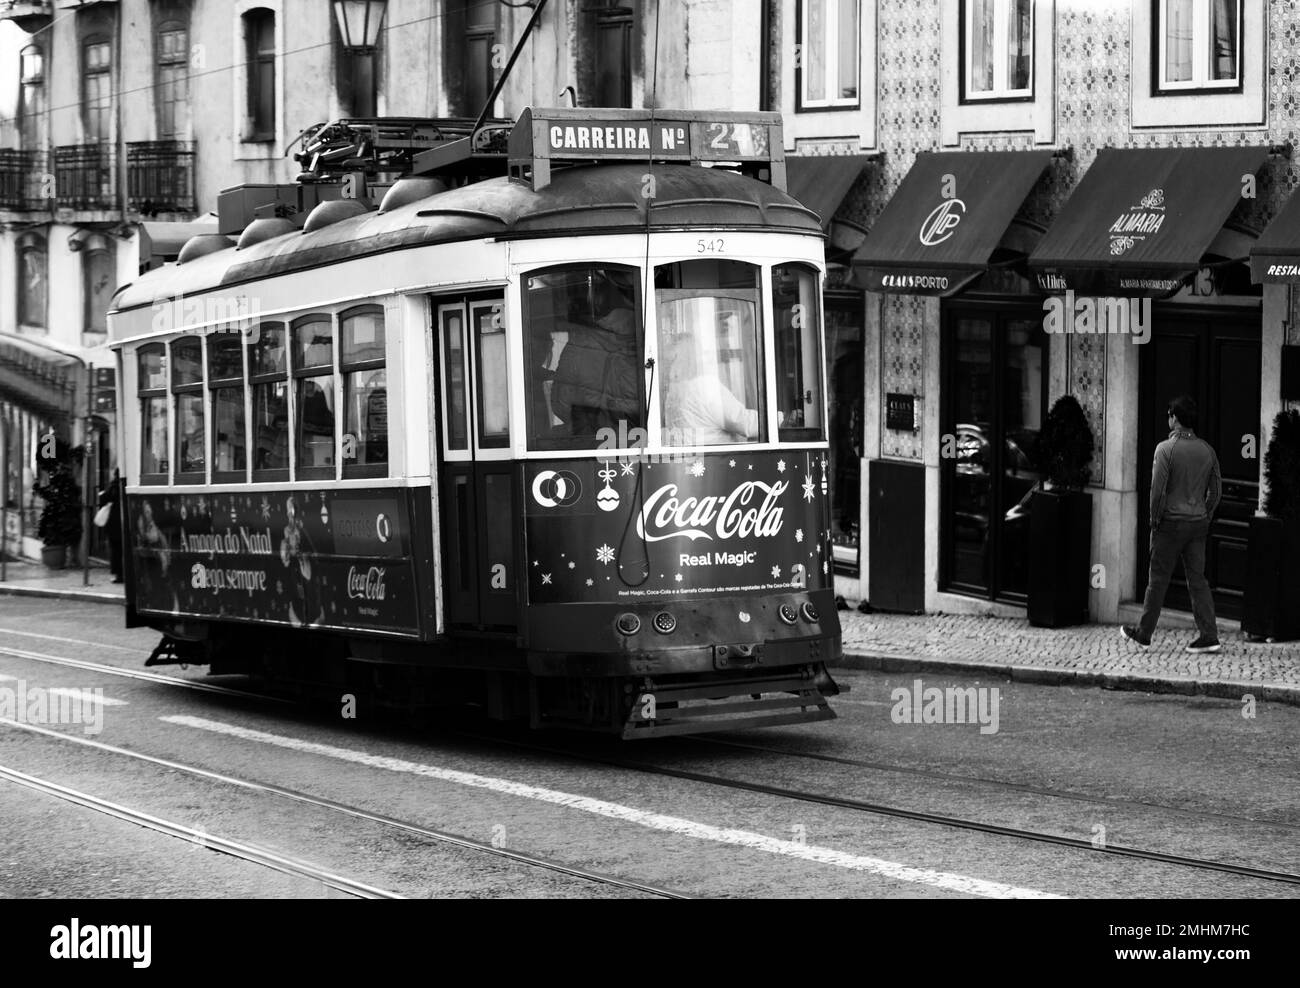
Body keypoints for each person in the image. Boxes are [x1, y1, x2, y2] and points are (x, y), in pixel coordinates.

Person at [1122, 395, 1222, 652]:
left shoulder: (1165, 449)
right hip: (1197, 523)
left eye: (1169, 414)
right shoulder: (1208, 450)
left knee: (1157, 579)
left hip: (1170, 523)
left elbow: (1157, 491)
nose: (1168, 418)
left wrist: (1154, 520)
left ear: (1175, 418)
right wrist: (1206, 513)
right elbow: (1216, 491)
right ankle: (1209, 635)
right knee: (1198, 580)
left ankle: (1144, 633)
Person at [663, 318, 759, 445]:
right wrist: (782, 419)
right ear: (692, 357)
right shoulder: (704, 387)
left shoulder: (673, 390)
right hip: (717, 461)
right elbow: (744, 423)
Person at [98, 468, 124, 583]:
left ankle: (118, 574)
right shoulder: (122, 486)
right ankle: (122, 574)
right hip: (121, 525)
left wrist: (102, 494)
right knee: (120, 551)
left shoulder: (113, 486)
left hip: (114, 526)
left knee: (116, 551)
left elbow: (104, 499)